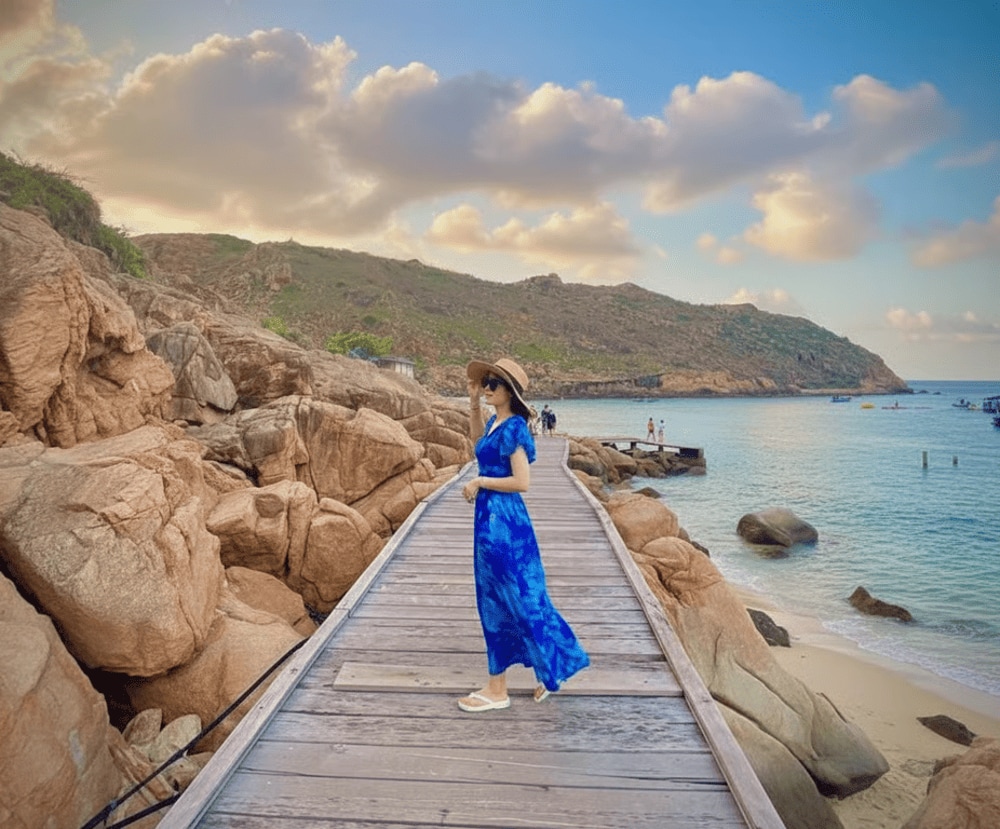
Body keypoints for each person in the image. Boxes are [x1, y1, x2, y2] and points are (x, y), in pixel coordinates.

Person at [459, 357, 590, 712]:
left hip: (505, 524)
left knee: (512, 598)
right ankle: (539, 673)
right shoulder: (493, 423)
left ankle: (501, 688)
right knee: (503, 598)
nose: (486, 388)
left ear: (509, 392)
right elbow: (478, 446)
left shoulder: (515, 427)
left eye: (492, 384)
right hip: (489, 519)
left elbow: (523, 482)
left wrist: (480, 481)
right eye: (485, 382)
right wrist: (472, 403)